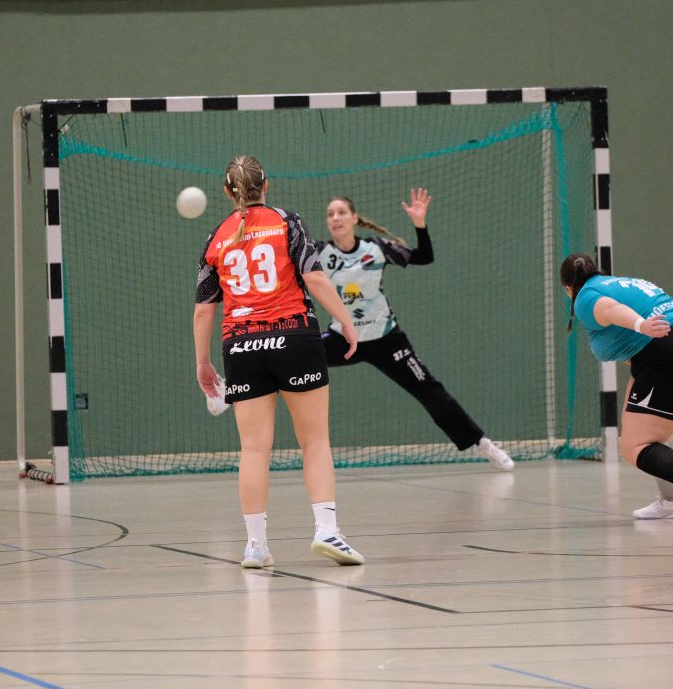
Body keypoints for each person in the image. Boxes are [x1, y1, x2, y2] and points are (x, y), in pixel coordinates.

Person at [194, 155, 365, 568]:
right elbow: (314, 276)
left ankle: (255, 545)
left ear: (227, 192)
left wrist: (202, 362)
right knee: (315, 441)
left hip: (241, 347)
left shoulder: (216, 238)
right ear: (265, 185)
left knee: (254, 449)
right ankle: (327, 531)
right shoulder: (287, 221)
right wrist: (345, 321)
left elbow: (203, 308)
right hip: (294, 339)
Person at [315, 189, 514, 470]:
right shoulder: (320, 253)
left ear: (355, 218)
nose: (335, 218)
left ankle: (483, 444)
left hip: (386, 340)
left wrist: (420, 225)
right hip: (343, 339)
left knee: (429, 390)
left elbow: (424, 256)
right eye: (330, 214)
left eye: (341, 212)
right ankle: (245, 414)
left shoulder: (376, 248)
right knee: (290, 357)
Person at [560, 253, 673, 525]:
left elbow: (609, 309)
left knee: (634, 445)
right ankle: (672, 501)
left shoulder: (586, 297)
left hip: (672, 356)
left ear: (568, 288)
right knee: (641, 432)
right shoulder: (619, 282)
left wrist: (641, 325)